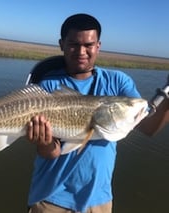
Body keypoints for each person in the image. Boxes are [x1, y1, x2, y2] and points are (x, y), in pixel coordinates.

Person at [26, 13, 169, 213]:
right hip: (50, 199)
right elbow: (52, 153)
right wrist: (43, 141)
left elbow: (149, 127)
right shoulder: (48, 86)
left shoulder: (118, 82)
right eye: (74, 44)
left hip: (99, 202)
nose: (81, 51)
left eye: (89, 45)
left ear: (98, 46)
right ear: (62, 44)